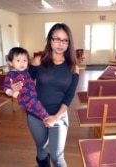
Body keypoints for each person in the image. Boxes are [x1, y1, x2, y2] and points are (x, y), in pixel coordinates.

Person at [12, 23, 79, 167]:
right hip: (36, 115)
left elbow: (69, 95)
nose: (61, 44)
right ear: (49, 40)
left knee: (57, 156)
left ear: (69, 43)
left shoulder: (73, 67)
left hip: (58, 116)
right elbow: (26, 84)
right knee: (41, 147)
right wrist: (15, 87)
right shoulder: (38, 61)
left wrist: (55, 117)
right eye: (57, 39)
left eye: (65, 40)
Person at [3, 47, 50, 121]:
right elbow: (5, 87)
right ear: (11, 63)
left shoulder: (26, 71)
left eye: (24, 60)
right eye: (18, 60)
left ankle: (43, 118)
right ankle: (47, 118)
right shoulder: (11, 74)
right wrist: (11, 92)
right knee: (38, 107)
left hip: (33, 95)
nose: (22, 63)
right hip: (25, 98)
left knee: (37, 108)